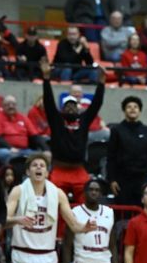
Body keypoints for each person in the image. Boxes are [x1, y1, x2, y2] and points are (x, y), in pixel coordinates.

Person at [6, 154, 96, 263]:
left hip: (48, 257)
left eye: (42, 166)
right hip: (22, 255)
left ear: (47, 173)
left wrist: (85, 227)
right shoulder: (18, 191)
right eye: (34, 165)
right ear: (27, 172)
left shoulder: (58, 194)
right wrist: (17, 219)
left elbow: (74, 225)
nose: (38, 167)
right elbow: (4, 220)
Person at [40, 59, 105, 202]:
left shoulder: (84, 120)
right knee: (55, 204)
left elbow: (96, 104)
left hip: (79, 171)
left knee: (85, 205)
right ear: (62, 109)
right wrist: (46, 79)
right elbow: (49, 102)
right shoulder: (56, 121)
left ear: (78, 108)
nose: (70, 108)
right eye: (67, 106)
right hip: (59, 170)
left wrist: (101, 83)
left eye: (73, 105)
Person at [107, 96, 147, 205]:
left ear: (140, 111)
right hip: (122, 180)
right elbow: (111, 156)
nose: (132, 109)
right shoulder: (116, 130)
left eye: (135, 107)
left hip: (142, 179)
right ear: (124, 110)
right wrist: (111, 179)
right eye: (129, 107)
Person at [63, 179, 117, 263]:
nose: (94, 192)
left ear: (101, 194)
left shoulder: (109, 212)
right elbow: (67, 245)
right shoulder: (75, 213)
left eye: (97, 190)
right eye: (91, 190)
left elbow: (112, 246)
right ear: (84, 193)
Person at [0, 95, 43, 166]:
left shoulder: (23, 118)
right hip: (5, 149)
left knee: (40, 156)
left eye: (13, 104)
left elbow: (35, 136)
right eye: (8, 104)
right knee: (5, 153)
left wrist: (46, 150)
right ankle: (11, 171)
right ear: (2, 106)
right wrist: (10, 148)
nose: (11, 106)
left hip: (24, 149)